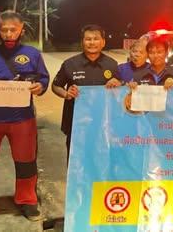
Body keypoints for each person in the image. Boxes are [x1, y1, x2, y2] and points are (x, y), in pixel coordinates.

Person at [0, 11, 49, 231]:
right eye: (4, 29)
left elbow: (43, 78)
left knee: (26, 162)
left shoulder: (32, 54)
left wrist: (40, 86)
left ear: (22, 29)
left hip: (22, 119)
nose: (8, 33)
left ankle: (27, 201)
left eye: (13, 29)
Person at [51, 25, 121, 159]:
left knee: (102, 160)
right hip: (76, 124)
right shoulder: (70, 64)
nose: (92, 42)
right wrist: (66, 94)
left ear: (103, 42)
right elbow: (56, 86)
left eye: (96, 39)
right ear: (82, 42)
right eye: (88, 39)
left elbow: (121, 91)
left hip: (104, 124)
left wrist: (118, 84)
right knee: (76, 161)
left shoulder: (112, 65)